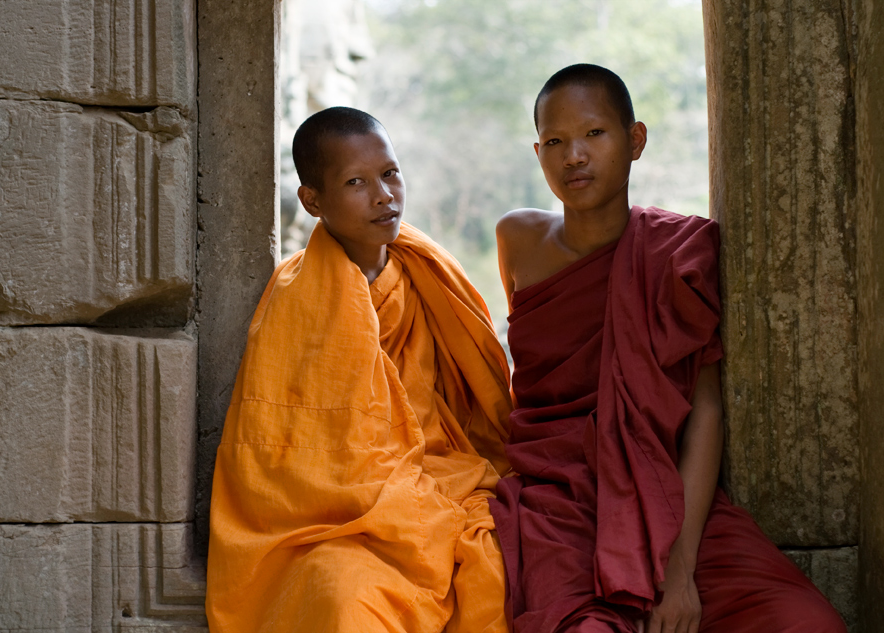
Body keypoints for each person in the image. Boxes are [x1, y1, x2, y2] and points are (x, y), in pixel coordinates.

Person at [489, 63, 846, 633]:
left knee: (805, 623)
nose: (573, 156)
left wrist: (679, 570)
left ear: (636, 141)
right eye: (555, 141)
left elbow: (704, 411)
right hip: (559, 502)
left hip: (667, 495)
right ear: (538, 153)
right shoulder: (517, 241)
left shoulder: (677, 254)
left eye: (594, 134)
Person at [205, 106, 512, 633]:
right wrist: (389, 495)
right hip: (333, 515)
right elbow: (288, 454)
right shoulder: (298, 295)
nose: (383, 196)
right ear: (313, 200)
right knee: (344, 600)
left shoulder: (427, 274)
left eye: (390, 173)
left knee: (495, 570)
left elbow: (473, 399)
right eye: (356, 182)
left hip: (440, 474)